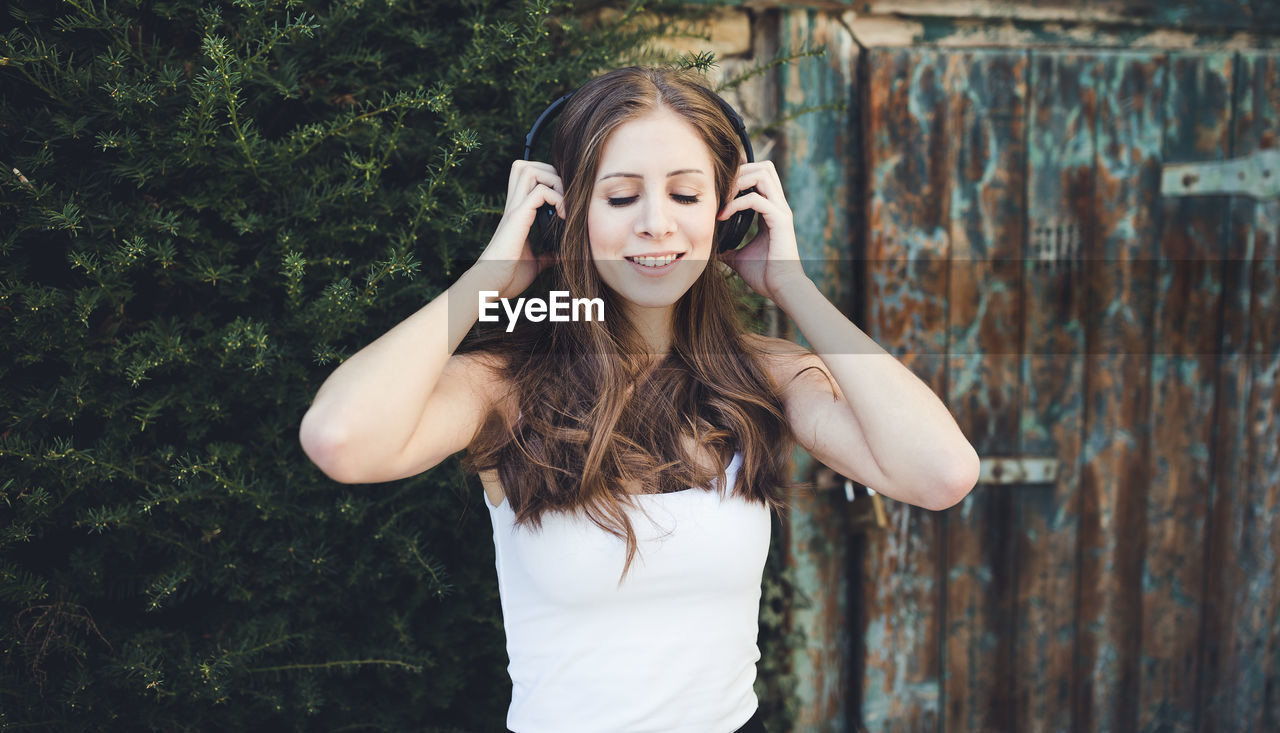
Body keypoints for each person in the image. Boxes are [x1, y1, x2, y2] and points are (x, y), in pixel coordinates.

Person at [298, 65, 980, 732]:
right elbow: (341, 438)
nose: (656, 224)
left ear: (728, 216)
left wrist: (792, 287)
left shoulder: (763, 374)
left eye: (686, 196)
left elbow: (940, 471)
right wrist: (486, 279)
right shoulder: (503, 385)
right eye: (621, 198)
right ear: (567, 216)